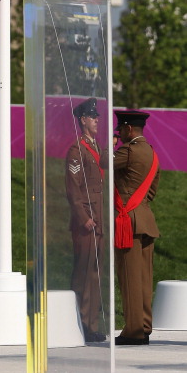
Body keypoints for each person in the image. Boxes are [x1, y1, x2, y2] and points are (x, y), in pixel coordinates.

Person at [113, 109, 160, 346]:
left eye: (120, 129)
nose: (119, 134)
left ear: (129, 129)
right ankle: (144, 326)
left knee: (130, 278)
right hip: (145, 219)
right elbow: (152, 191)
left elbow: (103, 163)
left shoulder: (128, 150)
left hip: (127, 222)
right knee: (143, 278)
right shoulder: (151, 152)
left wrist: (109, 145)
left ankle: (133, 332)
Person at [65, 97, 107, 343]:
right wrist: (83, 218)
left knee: (94, 274)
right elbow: (74, 189)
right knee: (83, 274)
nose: (97, 120)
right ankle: (79, 323)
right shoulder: (77, 150)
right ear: (82, 120)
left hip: (98, 220)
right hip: (87, 222)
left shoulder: (97, 148)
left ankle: (90, 324)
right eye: (93, 117)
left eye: (97, 116)